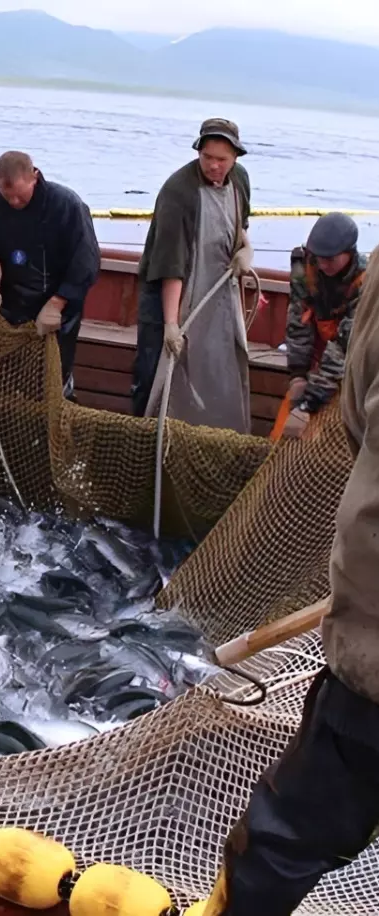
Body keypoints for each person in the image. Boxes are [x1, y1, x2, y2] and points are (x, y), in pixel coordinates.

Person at [199, 242, 379, 916]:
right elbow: (310, 336)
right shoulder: (310, 276)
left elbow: (359, 406)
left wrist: (322, 396)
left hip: (369, 669)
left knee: (283, 839)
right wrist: (301, 389)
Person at [129, 118, 254, 431]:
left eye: (221, 160)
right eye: (207, 157)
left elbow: (241, 226)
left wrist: (245, 250)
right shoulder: (178, 192)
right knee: (154, 373)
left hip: (216, 291)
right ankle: (144, 440)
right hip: (167, 295)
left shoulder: (239, 179)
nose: (213, 166)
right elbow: (171, 264)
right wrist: (171, 324)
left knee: (217, 369)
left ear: (235, 158)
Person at [0, 151, 101, 395]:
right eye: (7, 197)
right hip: (9, 301)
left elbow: (86, 262)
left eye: (20, 195)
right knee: (4, 378)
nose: (14, 202)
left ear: (34, 177)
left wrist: (58, 302)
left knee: (50, 380)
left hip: (54, 302)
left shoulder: (68, 206)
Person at [273, 212, 367, 441]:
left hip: (354, 365)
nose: (323, 264)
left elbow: (343, 348)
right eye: (319, 258)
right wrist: (297, 376)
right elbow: (298, 325)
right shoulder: (306, 269)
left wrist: (308, 405)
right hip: (316, 359)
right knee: (283, 430)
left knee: (337, 436)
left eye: (331, 259)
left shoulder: (366, 283)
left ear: (349, 252)